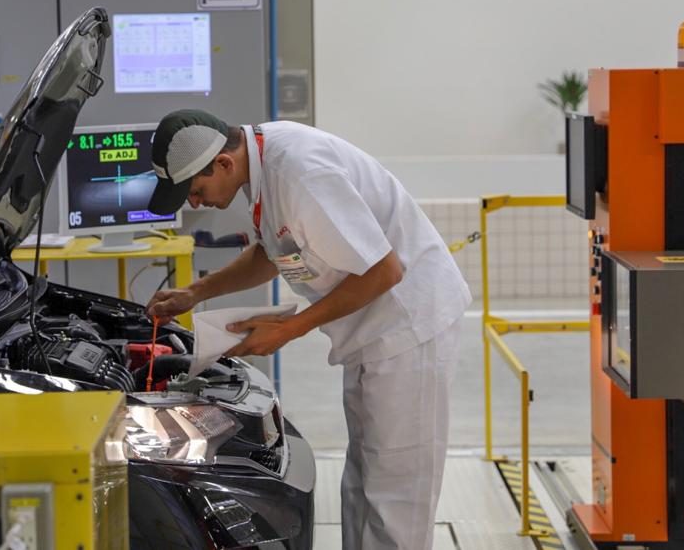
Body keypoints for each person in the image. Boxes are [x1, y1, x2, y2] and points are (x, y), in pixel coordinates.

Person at [146, 109, 471, 550]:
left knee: (396, 494)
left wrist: (290, 330)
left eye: (196, 191)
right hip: (371, 335)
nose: (195, 204)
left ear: (223, 162)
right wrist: (195, 292)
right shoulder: (265, 169)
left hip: (407, 329)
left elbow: (384, 271)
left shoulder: (299, 173)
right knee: (362, 483)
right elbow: (273, 252)